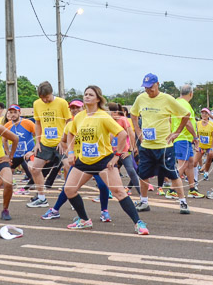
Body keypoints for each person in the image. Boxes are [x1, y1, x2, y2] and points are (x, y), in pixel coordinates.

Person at [62, 86, 151, 235]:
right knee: (69, 189)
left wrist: (117, 155)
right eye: (85, 94)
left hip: (103, 160)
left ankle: (138, 223)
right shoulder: (79, 117)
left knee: (118, 192)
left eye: (91, 94)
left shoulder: (103, 116)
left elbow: (122, 134)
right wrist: (71, 152)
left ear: (98, 98)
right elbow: (70, 134)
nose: (87, 96)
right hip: (84, 161)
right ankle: (84, 220)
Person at [130, 73, 192, 214]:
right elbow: (133, 114)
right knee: (143, 174)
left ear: (157, 84)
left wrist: (176, 132)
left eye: (151, 87)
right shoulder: (141, 98)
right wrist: (138, 131)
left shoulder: (167, 99)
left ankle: (183, 202)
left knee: (173, 174)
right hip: (146, 145)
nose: (148, 90)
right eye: (145, 87)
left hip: (164, 146)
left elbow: (186, 114)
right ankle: (144, 201)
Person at [26, 82, 71, 208]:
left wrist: (65, 141)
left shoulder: (62, 103)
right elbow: (38, 123)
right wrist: (37, 142)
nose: (45, 100)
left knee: (68, 166)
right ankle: (41, 198)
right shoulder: (37, 104)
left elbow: (69, 122)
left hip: (61, 142)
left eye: (47, 97)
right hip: (45, 143)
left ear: (52, 93)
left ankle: (70, 195)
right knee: (35, 168)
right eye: (42, 98)